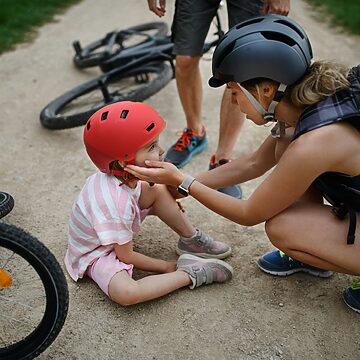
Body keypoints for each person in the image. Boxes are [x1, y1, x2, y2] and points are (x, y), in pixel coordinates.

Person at [124, 15, 360, 313]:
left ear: (265, 90)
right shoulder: (303, 113)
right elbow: (252, 163)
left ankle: (323, 250)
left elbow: (249, 214)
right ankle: (316, 254)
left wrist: (184, 181)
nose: (234, 103)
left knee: (282, 228)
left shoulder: (315, 143)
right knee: (283, 148)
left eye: (235, 93)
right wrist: (179, 184)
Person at [64, 101, 233, 305]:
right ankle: (189, 272)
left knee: (157, 189)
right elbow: (125, 256)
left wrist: (167, 200)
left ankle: (191, 239)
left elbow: (154, 191)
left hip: (118, 223)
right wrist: (165, 266)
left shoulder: (125, 177)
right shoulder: (113, 204)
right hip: (98, 252)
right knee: (126, 293)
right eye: (152, 147)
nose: (161, 151)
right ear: (124, 162)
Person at [147, 0, 290, 199]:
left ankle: (222, 158)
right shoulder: (287, 123)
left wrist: (184, 185)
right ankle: (195, 132)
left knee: (242, 65)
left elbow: (250, 210)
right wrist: (185, 186)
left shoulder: (293, 127)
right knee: (184, 60)